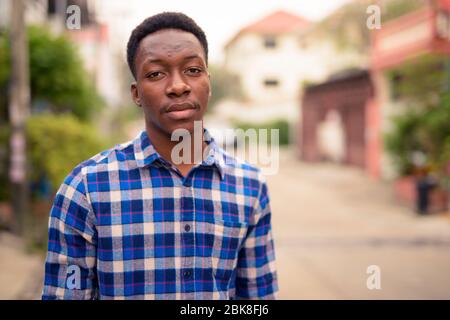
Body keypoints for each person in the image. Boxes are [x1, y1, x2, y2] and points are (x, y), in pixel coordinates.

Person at [42, 12, 278, 300]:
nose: (178, 86)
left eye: (193, 70)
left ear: (208, 82)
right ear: (136, 93)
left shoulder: (249, 187)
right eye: (155, 74)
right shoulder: (85, 189)